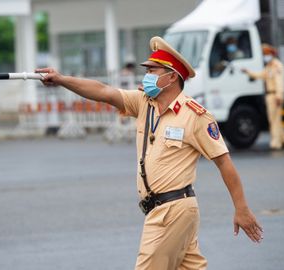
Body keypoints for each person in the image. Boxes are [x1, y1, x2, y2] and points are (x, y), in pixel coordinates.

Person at [36, 36, 263, 270]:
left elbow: (224, 163)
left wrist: (241, 208)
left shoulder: (195, 116)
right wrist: (62, 79)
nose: (147, 75)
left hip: (172, 210)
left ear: (172, 76)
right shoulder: (144, 103)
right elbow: (103, 91)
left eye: (153, 70)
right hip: (162, 210)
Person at [242, 44, 284, 150]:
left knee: (274, 120)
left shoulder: (277, 65)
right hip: (270, 95)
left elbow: (279, 82)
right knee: (275, 119)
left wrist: (279, 95)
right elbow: (260, 75)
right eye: (264, 54)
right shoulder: (269, 66)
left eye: (266, 53)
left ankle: (276, 143)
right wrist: (248, 72)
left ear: (272, 54)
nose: (265, 56)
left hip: (275, 95)